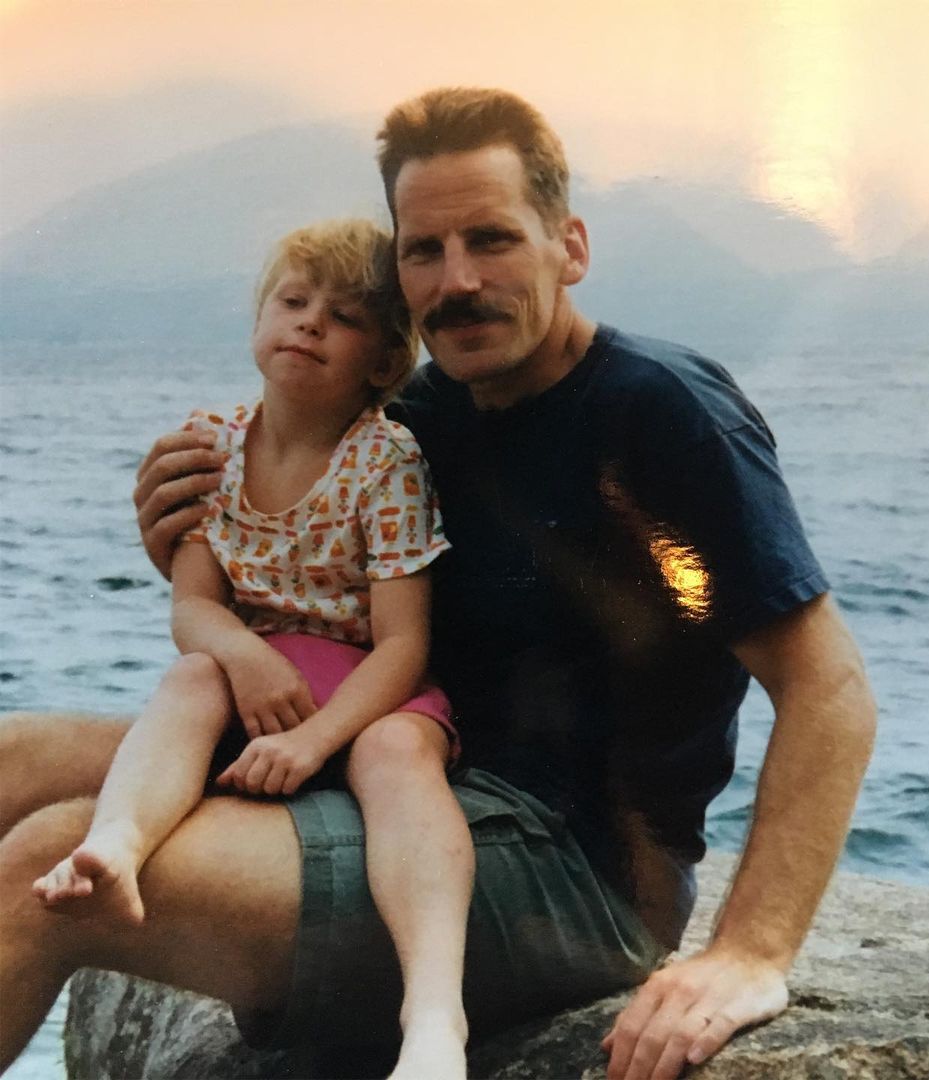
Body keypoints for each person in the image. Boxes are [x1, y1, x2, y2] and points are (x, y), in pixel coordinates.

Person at [0, 88, 876, 1080]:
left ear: (570, 247)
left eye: (492, 240)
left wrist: (751, 950)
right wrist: (189, 540)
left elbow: (827, 688)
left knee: (48, 862)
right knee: (15, 758)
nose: (457, 282)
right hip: (390, 772)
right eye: (424, 250)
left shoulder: (661, 413)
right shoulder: (425, 410)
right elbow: (318, 571)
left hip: (569, 866)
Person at [28, 218, 473, 1080]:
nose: (308, 323)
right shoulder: (216, 445)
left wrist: (315, 740)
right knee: (194, 676)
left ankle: (432, 1016)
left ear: (384, 361)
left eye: (342, 316)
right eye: (293, 301)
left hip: (363, 687)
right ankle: (119, 844)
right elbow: (194, 605)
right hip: (255, 676)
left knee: (398, 754)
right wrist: (245, 656)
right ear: (257, 321)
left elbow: (403, 644)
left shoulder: (386, 457)